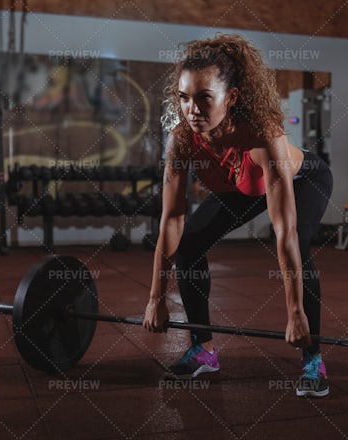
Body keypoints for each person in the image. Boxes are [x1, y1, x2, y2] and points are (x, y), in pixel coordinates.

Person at [142, 33, 333, 397]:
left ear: (231, 98)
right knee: (189, 243)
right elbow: (171, 219)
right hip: (243, 188)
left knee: (300, 247)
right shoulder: (181, 140)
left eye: (203, 98)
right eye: (183, 98)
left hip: (306, 180)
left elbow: (285, 232)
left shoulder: (264, 136)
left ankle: (313, 358)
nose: (192, 109)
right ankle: (203, 349)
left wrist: (293, 311)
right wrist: (156, 298)